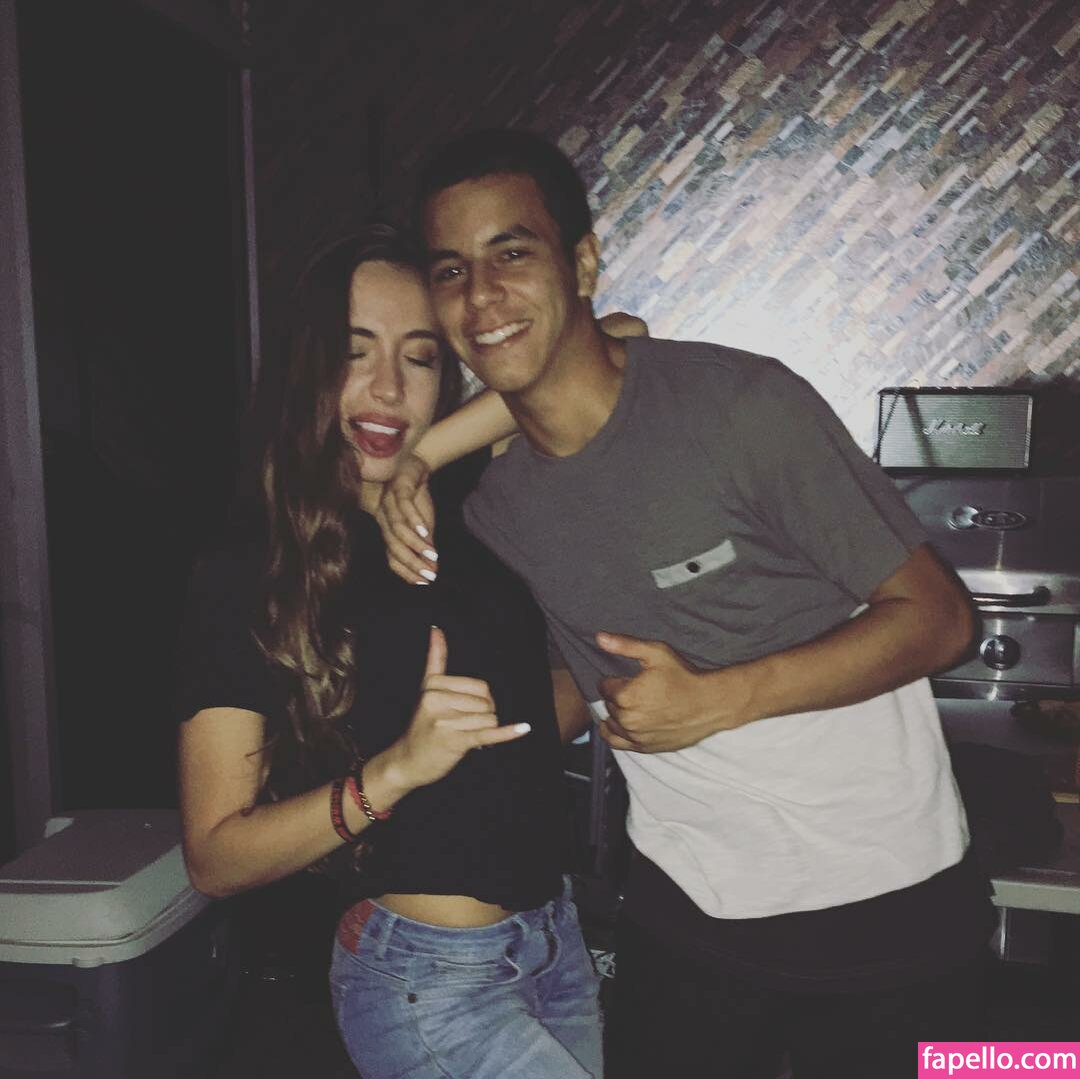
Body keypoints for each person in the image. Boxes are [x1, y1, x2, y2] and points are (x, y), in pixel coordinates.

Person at [377, 130, 998, 1079]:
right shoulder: (496, 506)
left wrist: (720, 697)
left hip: (888, 901)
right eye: (452, 270)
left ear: (582, 262)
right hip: (686, 912)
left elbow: (942, 619)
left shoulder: (741, 407)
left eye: (513, 252)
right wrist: (442, 744)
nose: (483, 295)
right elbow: (581, 677)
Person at [174, 223, 606, 1078]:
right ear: (308, 366)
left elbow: (612, 339)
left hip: (556, 944)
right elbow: (214, 857)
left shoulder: (470, 508)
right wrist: (396, 771)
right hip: (428, 981)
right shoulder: (250, 568)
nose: (388, 388)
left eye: (420, 356)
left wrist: (602, 687)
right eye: (355, 351)